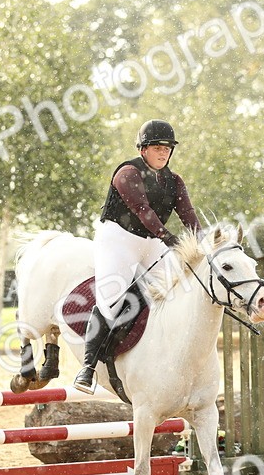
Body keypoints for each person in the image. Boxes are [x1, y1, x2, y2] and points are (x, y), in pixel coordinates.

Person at [73, 119, 202, 393]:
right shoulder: (127, 173)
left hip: (151, 241)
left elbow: (188, 215)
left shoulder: (174, 181)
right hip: (118, 239)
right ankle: (88, 367)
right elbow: (143, 211)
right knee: (111, 299)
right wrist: (169, 239)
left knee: (178, 287)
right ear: (143, 149)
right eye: (157, 147)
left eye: (167, 148)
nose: (163, 152)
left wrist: (203, 244)